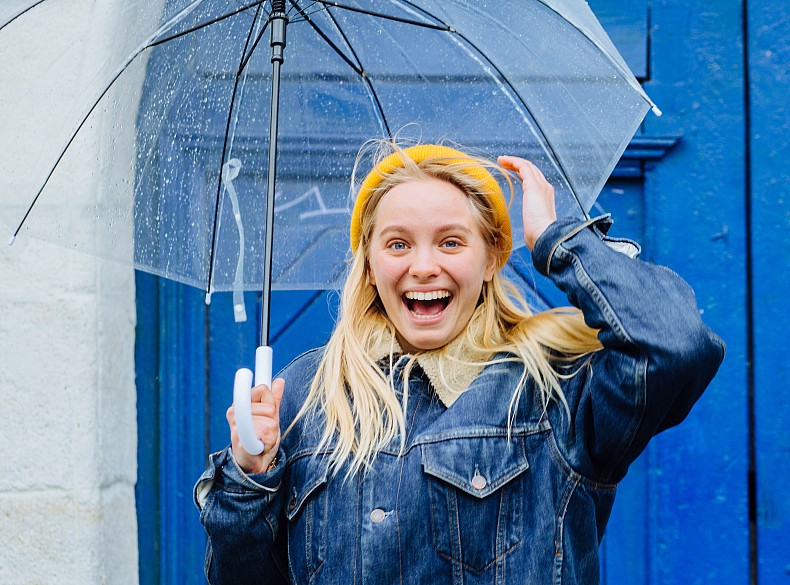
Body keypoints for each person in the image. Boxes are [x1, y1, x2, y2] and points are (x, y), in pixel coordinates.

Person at [194, 142, 724, 584]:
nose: (424, 266)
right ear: (371, 265)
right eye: (398, 244)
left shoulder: (554, 388)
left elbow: (675, 344)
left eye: (451, 242)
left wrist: (558, 241)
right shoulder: (306, 393)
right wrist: (250, 481)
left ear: (492, 257)